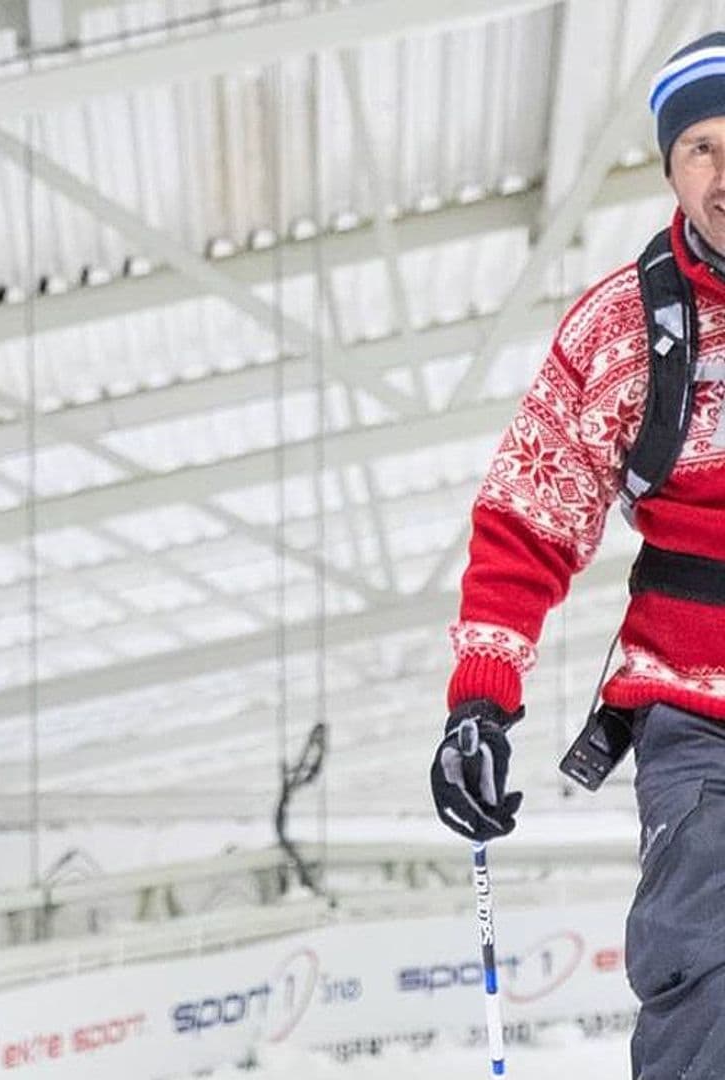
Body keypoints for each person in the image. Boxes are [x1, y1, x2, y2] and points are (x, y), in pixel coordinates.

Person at [429, 31, 725, 1079]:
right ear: (670, 169)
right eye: (701, 148)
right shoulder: (624, 331)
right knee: (708, 967)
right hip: (697, 708)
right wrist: (481, 702)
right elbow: (529, 515)